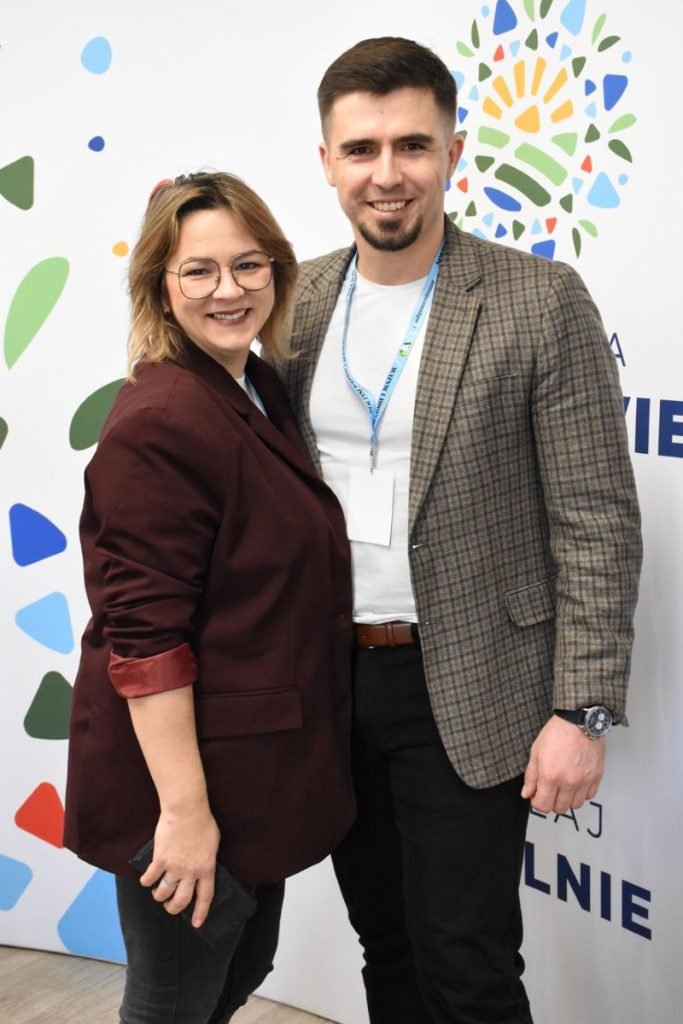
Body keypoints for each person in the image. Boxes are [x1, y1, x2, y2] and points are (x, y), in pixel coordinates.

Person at [272, 37, 642, 1024]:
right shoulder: (293, 301)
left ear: (452, 152)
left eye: (411, 145)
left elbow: (596, 521)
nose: (385, 174)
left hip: (469, 682)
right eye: (360, 149)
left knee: (465, 964)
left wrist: (580, 710)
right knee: (385, 946)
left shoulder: (537, 300)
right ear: (326, 162)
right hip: (329, 679)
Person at [64, 171, 355, 1024]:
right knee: (175, 1002)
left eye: (248, 264)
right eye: (198, 270)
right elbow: (145, 641)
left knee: (237, 967)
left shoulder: (256, 385)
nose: (228, 290)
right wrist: (184, 814)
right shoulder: (161, 419)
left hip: (248, 771)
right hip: (183, 789)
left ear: (276, 271)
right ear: (161, 285)